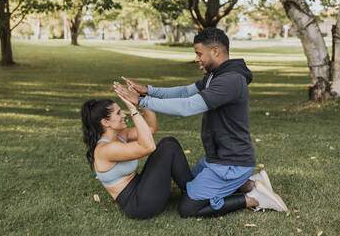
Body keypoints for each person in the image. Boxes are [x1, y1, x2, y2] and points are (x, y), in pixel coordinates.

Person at [114, 27, 288, 217]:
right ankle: (248, 184)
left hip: (231, 163)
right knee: (189, 183)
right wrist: (148, 90)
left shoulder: (230, 81)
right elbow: (184, 92)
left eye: (199, 53)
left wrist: (141, 101)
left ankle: (253, 198)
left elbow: (187, 106)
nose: (197, 58)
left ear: (215, 51)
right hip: (217, 158)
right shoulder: (216, 75)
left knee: (187, 207)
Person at [81, 93, 194, 219]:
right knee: (168, 148)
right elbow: (149, 147)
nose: (124, 115)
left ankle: (192, 189)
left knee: (168, 142)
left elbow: (151, 128)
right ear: (105, 122)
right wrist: (133, 111)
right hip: (139, 205)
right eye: (118, 113)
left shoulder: (120, 135)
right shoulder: (106, 149)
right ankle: (194, 193)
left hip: (140, 189)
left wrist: (142, 100)